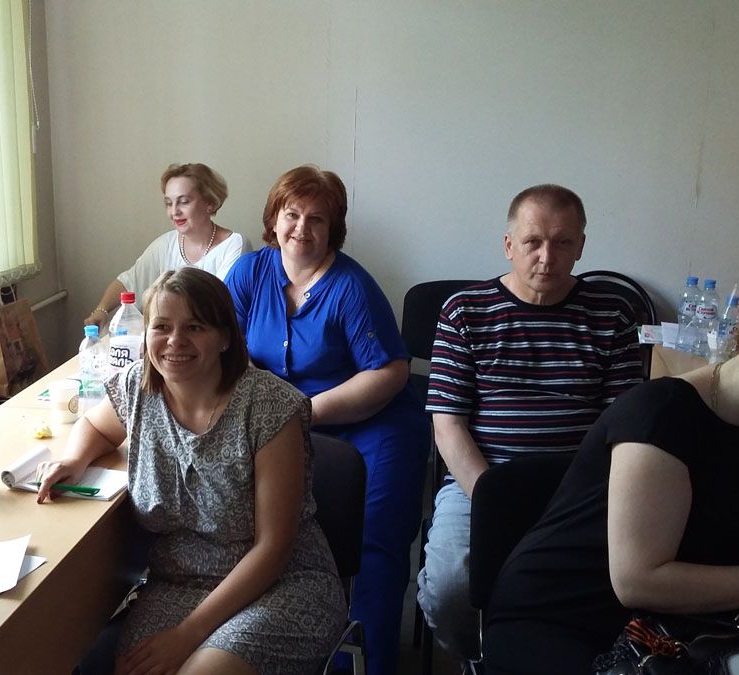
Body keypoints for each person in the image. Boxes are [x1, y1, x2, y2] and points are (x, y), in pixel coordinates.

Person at [481, 285, 739, 673]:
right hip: (559, 619)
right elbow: (639, 581)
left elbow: (707, 501)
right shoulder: (660, 416)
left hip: (653, 630)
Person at [39, 267, 345, 675]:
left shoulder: (269, 407)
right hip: (178, 585)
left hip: (279, 584)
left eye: (195, 327)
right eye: (161, 327)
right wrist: (74, 459)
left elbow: (273, 550)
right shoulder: (139, 387)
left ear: (225, 338)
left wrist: (187, 633)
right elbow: (95, 425)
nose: (175, 341)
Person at [417, 184, 643, 660]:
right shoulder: (464, 311)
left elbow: (622, 426)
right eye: (532, 242)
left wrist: (576, 499)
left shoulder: (613, 314)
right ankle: (482, 662)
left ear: (581, 246)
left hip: (578, 490)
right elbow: (448, 425)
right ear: (508, 245)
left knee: (620, 583)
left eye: (562, 243)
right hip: (480, 483)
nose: (546, 257)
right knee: (450, 589)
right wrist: (497, 501)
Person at [224, 165, 429, 675]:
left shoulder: (351, 287)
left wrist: (300, 412)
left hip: (373, 425)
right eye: (291, 214)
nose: (301, 228)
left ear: (333, 228)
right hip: (286, 423)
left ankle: (369, 664)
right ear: (273, 219)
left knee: (372, 542)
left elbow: (390, 372)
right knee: (278, 534)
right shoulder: (249, 273)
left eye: (317, 218)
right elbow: (225, 345)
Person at [84, 163, 252, 331]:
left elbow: (218, 306)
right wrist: (101, 310)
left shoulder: (235, 245)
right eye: (169, 203)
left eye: (184, 202)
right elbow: (129, 282)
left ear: (210, 203)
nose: (174, 212)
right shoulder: (165, 244)